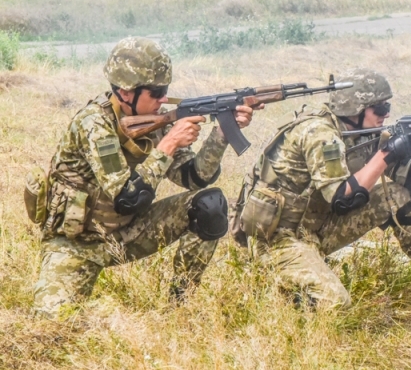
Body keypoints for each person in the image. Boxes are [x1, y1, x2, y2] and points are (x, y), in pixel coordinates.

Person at [32, 37, 254, 316]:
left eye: (166, 90)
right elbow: (128, 198)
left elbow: (195, 178)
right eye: (157, 91)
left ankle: (180, 305)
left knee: (209, 204)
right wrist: (168, 144)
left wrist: (222, 132)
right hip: (76, 244)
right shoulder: (94, 124)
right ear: (126, 92)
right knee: (52, 323)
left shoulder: (155, 119)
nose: (163, 99)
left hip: (128, 233)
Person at [233, 68, 411, 310]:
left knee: (395, 195)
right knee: (335, 303)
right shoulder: (318, 133)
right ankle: (274, 291)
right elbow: (342, 197)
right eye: (380, 108)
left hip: (315, 228)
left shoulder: (360, 133)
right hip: (278, 238)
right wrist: (386, 153)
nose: (385, 114)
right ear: (354, 108)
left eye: (388, 108)